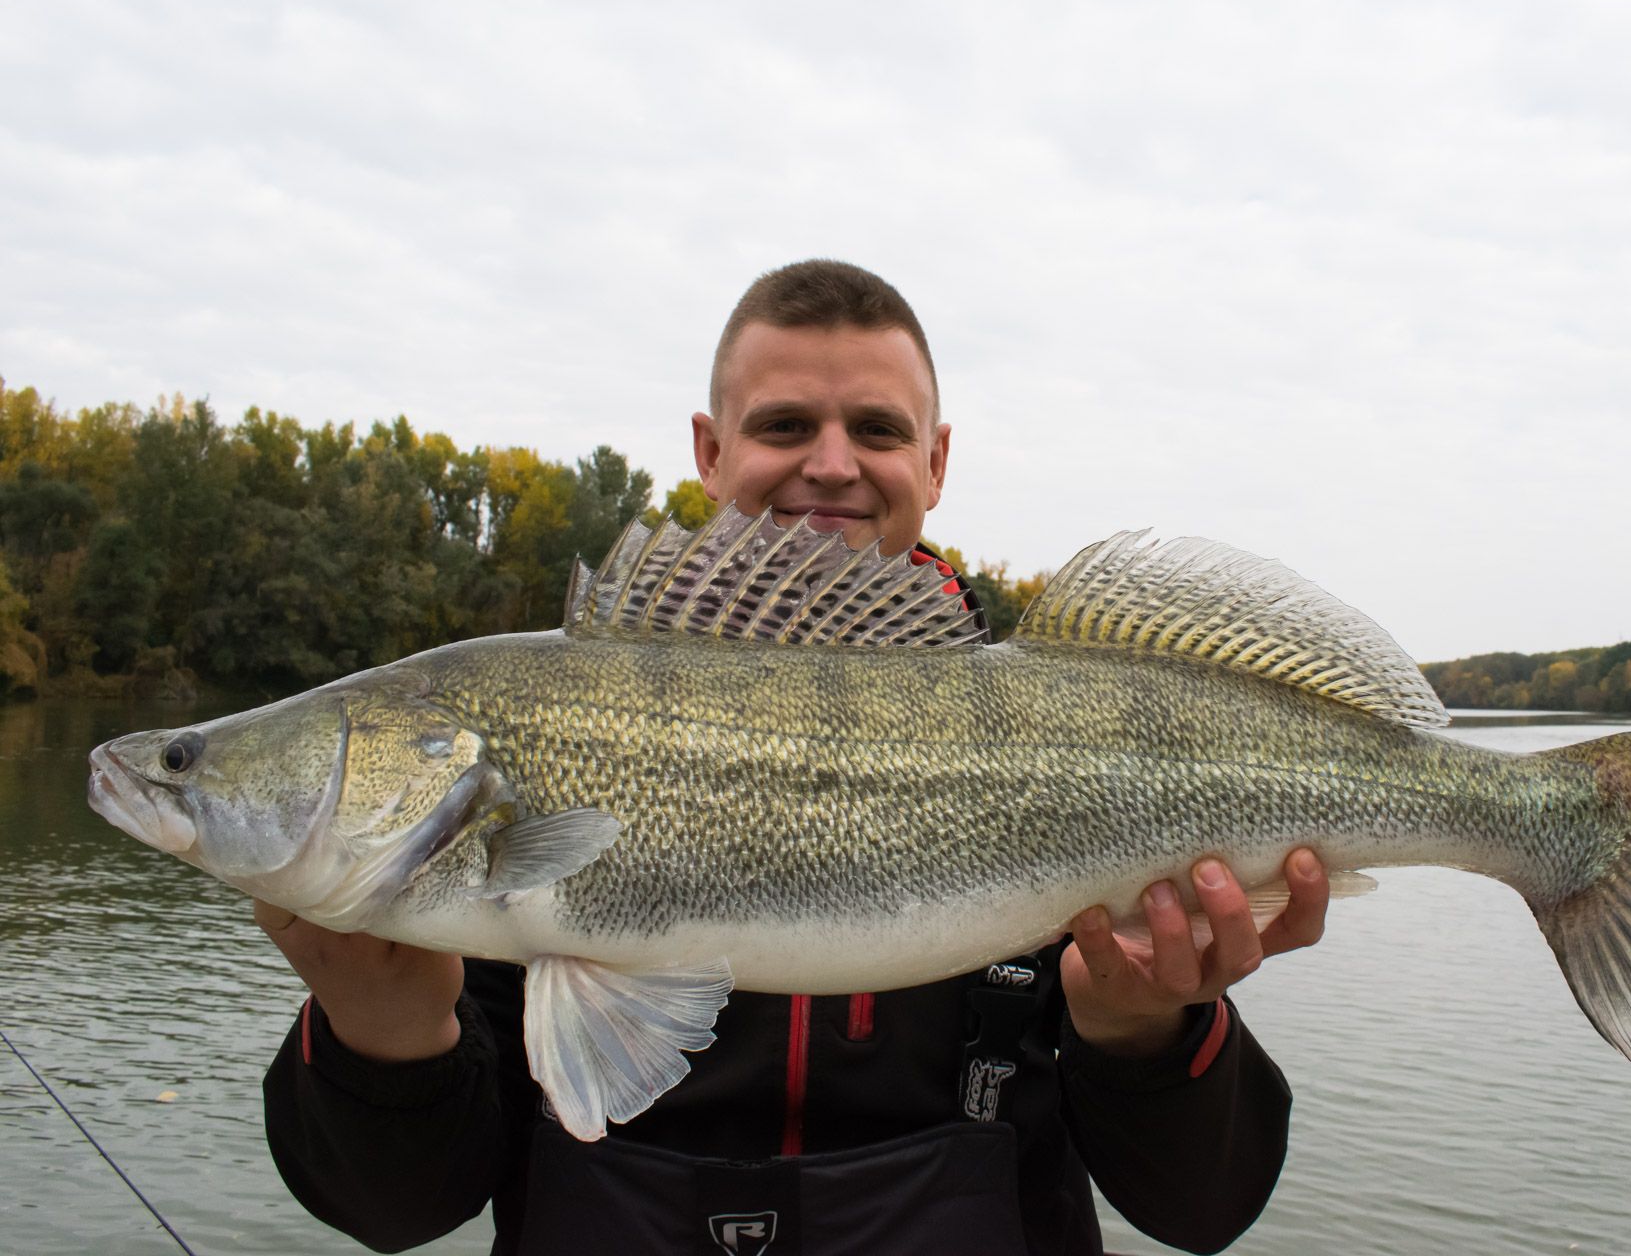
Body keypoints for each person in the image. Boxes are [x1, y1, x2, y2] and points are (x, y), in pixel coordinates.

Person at [259, 259, 1330, 1255]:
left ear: (936, 460)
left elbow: (1204, 1208)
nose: (830, 462)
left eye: (875, 426)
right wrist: (384, 1032)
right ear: (709, 449)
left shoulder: (1065, 730)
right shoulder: (547, 735)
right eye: (783, 424)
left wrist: (1143, 1027)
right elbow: (394, 1211)